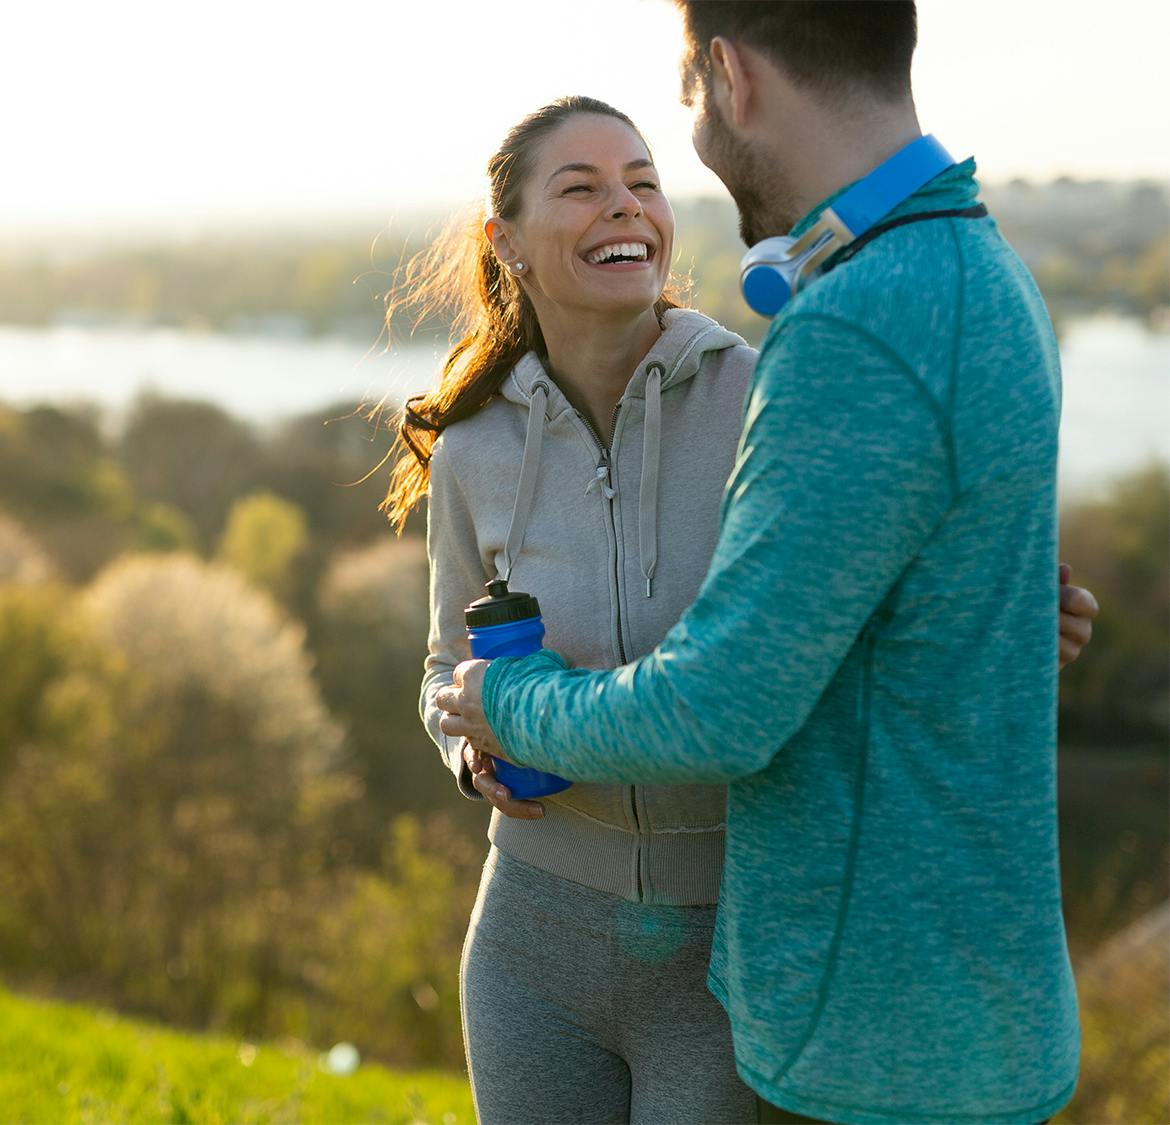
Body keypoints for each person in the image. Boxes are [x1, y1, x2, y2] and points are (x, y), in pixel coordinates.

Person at [434, 4, 1098, 1125]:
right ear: (507, 240)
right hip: (650, 954)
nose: (643, 193)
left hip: (848, 1007)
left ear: (730, 78)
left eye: (654, 153)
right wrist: (469, 736)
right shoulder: (965, 272)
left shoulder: (828, 341)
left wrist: (513, 703)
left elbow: (720, 709)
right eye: (582, 186)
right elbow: (446, 659)